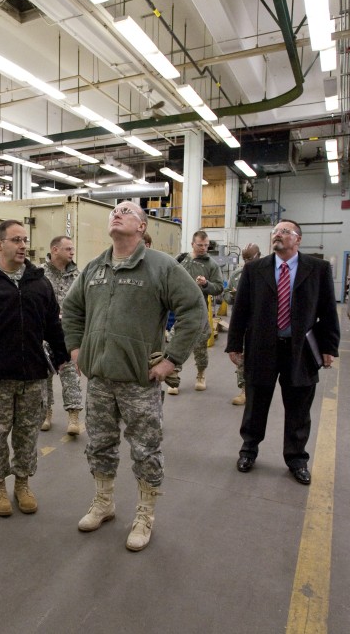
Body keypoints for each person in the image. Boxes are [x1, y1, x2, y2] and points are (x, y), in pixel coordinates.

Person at [61, 202, 206, 551]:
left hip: (140, 382)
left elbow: (194, 310)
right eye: (114, 210)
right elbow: (72, 309)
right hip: (99, 381)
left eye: (126, 210)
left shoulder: (161, 266)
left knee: (145, 450)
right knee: (99, 445)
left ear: (141, 227)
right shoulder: (96, 267)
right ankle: (104, 502)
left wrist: (171, 361)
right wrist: (76, 349)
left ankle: (145, 515)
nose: (117, 213)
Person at [0, 220, 69, 517]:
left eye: (24, 240)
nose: (22, 246)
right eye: (16, 240)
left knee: (27, 435)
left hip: (32, 375)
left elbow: (53, 325)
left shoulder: (39, 282)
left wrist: (61, 356)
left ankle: (22, 484)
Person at [226, 219, 340, 485]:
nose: (277, 235)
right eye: (275, 231)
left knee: (299, 408)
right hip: (262, 347)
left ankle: (297, 458)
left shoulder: (318, 269)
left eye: (284, 232)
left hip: (301, 351)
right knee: (256, 403)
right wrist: (234, 344)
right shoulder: (255, 269)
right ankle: (248, 450)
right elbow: (241, 309)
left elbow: (328, 312)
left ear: (298, 239)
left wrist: (329, 347)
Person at [169, 230, 223, 394]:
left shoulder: (211, 265)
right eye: (200, 245)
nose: (203, 248)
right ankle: (173, 377)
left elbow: (219, 288)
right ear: (192, 244)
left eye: (206, 245)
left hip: (198, 312)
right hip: (179, 311)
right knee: (175, 343)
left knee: (200, 346)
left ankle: (200, 374)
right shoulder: (180, 260)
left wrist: (206, 284)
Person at [40, 235, 84, 435]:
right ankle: (46, 413)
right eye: (68, 249)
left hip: (68, 334)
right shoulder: (38, 275)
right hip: (43, 334)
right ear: (55, 250)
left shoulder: (77, 276)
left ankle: (73, 416)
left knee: (70, 374)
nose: (72, 253)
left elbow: (84, 305)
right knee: (43, 376)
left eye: (72, 249)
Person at [223, 243, 261, 405]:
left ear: (259, 255)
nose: (247, 262)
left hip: (262, 325)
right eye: (244, 259)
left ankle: (258, 389)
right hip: (243, 324)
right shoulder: (238, 274)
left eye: (250, 258)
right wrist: (233, 297)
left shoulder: (268, 273)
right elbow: (226, 294)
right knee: (242, 357)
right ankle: (244, 390)